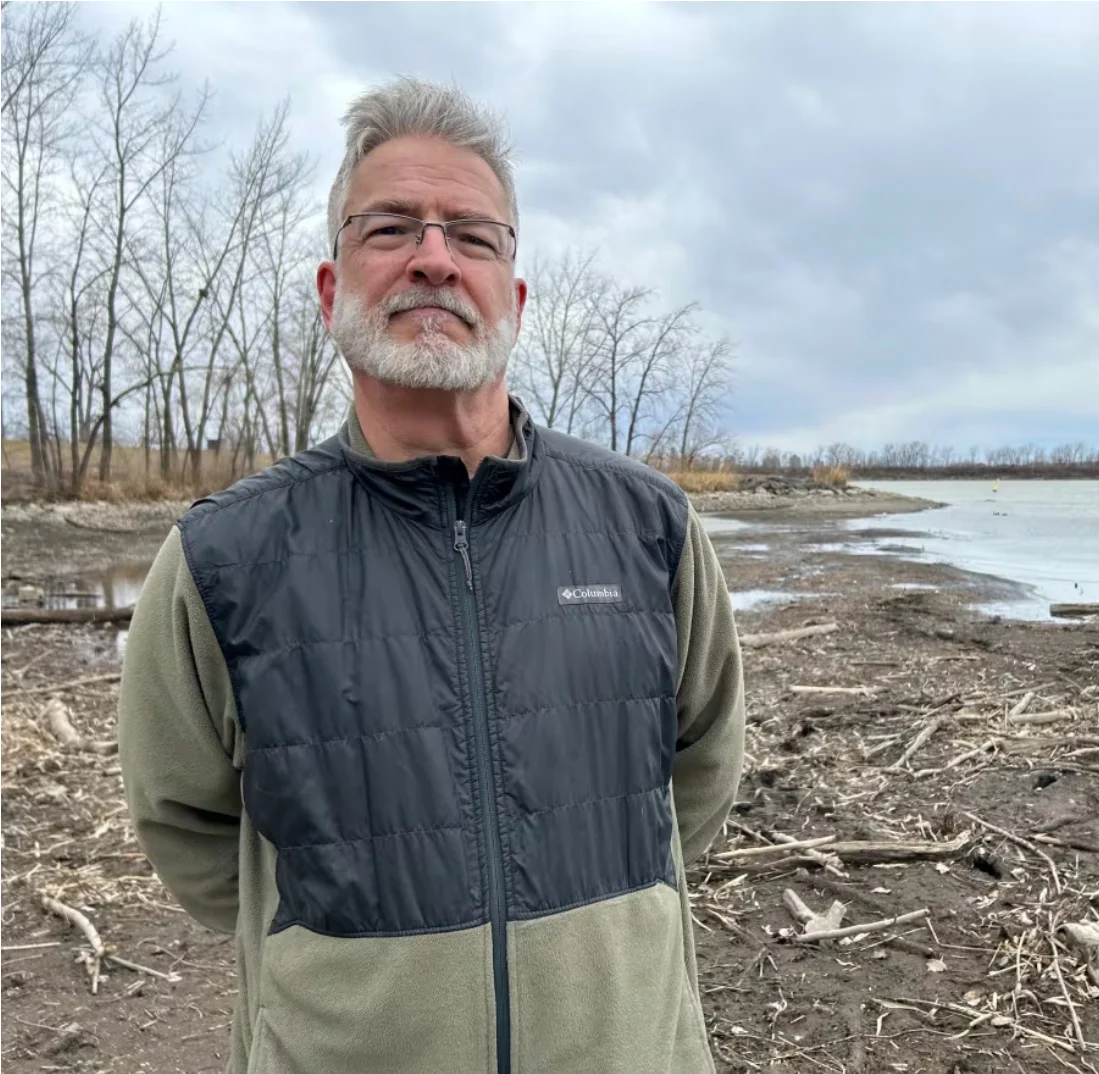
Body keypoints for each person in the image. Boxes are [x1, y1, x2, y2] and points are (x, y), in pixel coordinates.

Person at [118, 77, 745, 1074]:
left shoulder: (648, 524)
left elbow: (701, 768)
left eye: (473, 236)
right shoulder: (223, 556)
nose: (434, 259)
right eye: (391, 228)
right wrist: (342, 975)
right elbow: (182, 819)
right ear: (332, 291)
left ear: (516, 297)